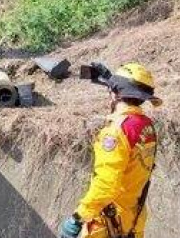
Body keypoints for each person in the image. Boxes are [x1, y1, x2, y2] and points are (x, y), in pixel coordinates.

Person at [60, 63, 161, 238]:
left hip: (108, 224)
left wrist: (78, 217)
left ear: (115, 94)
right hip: (134, 219)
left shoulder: (115, 132)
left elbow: (107, 184)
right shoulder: (147, 126)